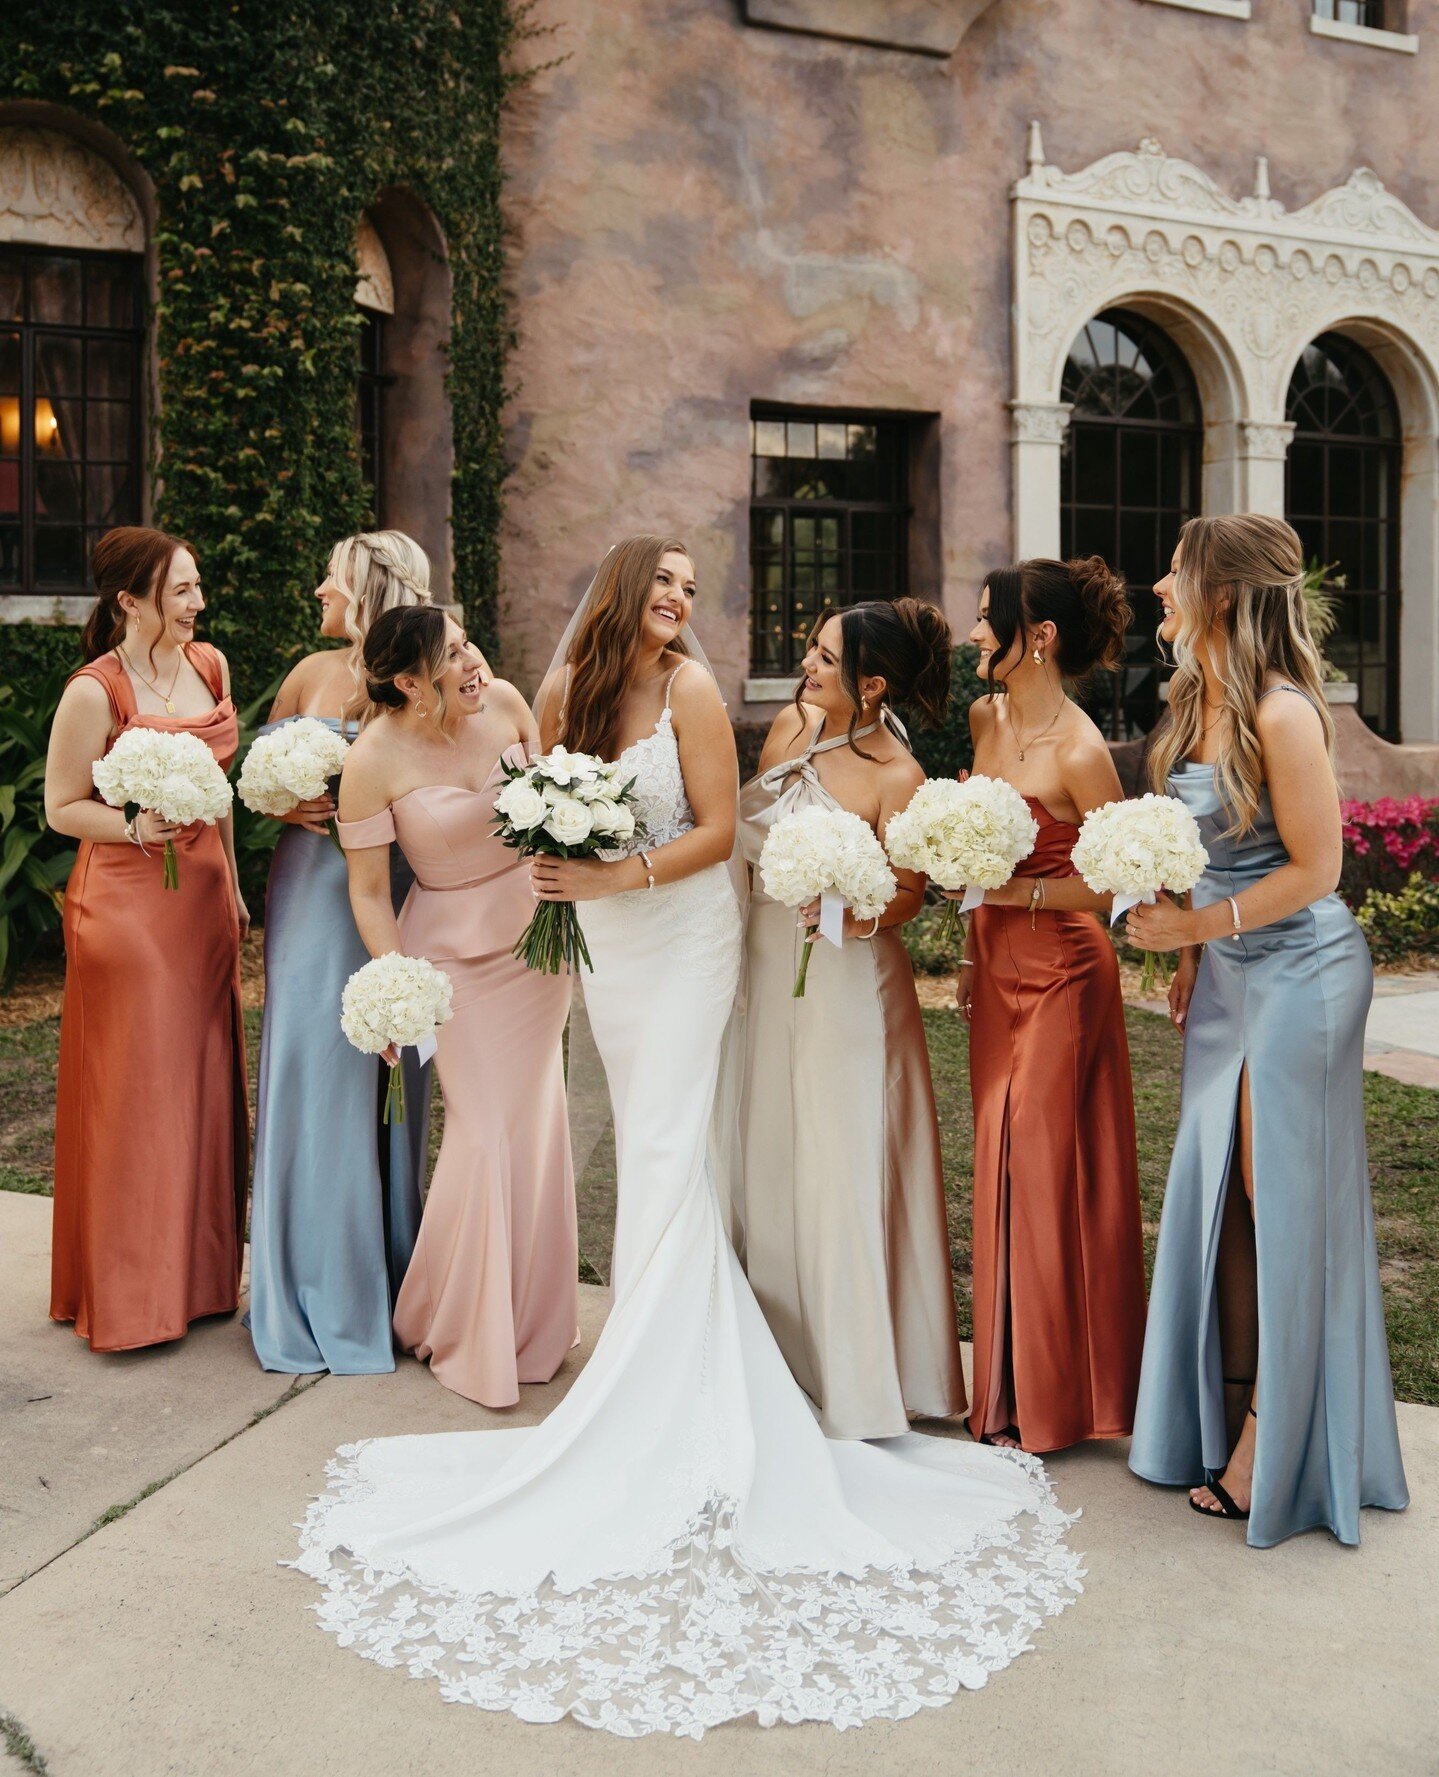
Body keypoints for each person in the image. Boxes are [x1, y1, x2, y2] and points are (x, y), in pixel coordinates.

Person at [294, 536, 1081, 1738]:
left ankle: (656, 1385)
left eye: (690, 591)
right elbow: (532, 805)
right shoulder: (564, 693)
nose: (679, 603)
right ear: (619, 588)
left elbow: (718, 834)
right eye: (662, 584)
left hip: (683, 937)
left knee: (667, 1141)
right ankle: (646, 1362)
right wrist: (556, 862)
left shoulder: (696, 691)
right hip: (608, 958)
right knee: (658, 1147)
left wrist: (615, 881)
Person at [1127, 513, 1408, 1545]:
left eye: (1174, 570)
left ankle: (1272, 1444)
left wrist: (1195, 925)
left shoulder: (1283, 713)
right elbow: (1206, 850)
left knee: (1273, 1196)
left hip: (1302, 976)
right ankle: (1234, 1398)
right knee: (1221, 1204)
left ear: (1218, 593)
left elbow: (1317, 871)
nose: (1158, 585)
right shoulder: (1193, 702)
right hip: (1229, 976)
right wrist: (1196, 955)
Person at [735, 598, 965, 1438]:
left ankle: (858, 1373)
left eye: (825, 659)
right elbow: (747, 829)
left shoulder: (895, 775)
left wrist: (843, 906)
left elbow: (907, 893)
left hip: (846, 982)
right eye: (811, 650)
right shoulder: (789, 728)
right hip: (769, 959)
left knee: (837, 1156)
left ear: (871, 686)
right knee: (771, 1144)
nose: (807, 666)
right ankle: (782, 1352)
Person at [336, 604, 576, 1407]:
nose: (475, 665)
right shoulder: (372, 757)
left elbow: (552, 806)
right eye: (453, 656)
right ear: (408, 680)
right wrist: (395, 979)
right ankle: (461, 1323)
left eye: (470, 645)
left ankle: (533, 1319)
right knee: (481, 1129)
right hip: (448, 964)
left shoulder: (506, 702)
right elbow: (369, 890)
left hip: (538, 942)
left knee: (535, 1124)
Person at [959, 558, 1147, 1453]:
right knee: (995, 1158)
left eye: (988, 618)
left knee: (1040, 1165)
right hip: (993, 967)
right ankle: (999, 1394)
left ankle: (1058, 1400)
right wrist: (970, 943)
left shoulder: (1082, 751)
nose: (973, 632)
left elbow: (1113, 888)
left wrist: (1016, 899)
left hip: (1066, 970)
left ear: (1039, 636)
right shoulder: (982, 715)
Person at [45, 527, 247, 1351]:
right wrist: (134, 821)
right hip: (126, 910)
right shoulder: (94, 691)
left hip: (199, 901)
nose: (198, 603)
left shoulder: (211, 666)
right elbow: (62, 808)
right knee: (139, 1093)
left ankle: (195, 1283)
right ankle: (131, 1297)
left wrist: (231, 885)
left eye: (198, 587)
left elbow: (223, 795)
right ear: (130, 601)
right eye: (181, 592)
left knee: (198, 1084)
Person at [246, 531, 434, 1377]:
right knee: (311, 1071)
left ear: (361, 588)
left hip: (390, 883)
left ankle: (388, 1278)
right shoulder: (305, 675)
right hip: (307, 895)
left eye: (330, 575)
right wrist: (283, 803)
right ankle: (308, 1280)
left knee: (383, 1066)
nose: (318, 586)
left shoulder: (416, 676)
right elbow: (260, 779)